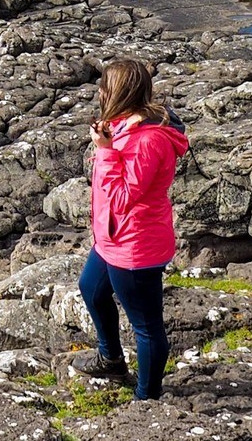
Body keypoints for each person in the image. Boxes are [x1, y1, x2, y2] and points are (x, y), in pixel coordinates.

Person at [73, 58, 189, 400]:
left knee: (147, 327)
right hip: (113, 237)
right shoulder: (124, 123)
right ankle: (111, 359)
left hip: (135, 247)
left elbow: (124, 196)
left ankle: (147, 397)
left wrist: (105, 152)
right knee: (91, 289)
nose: (99, 92)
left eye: (104, 87)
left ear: (120, 93)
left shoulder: (149, 140)